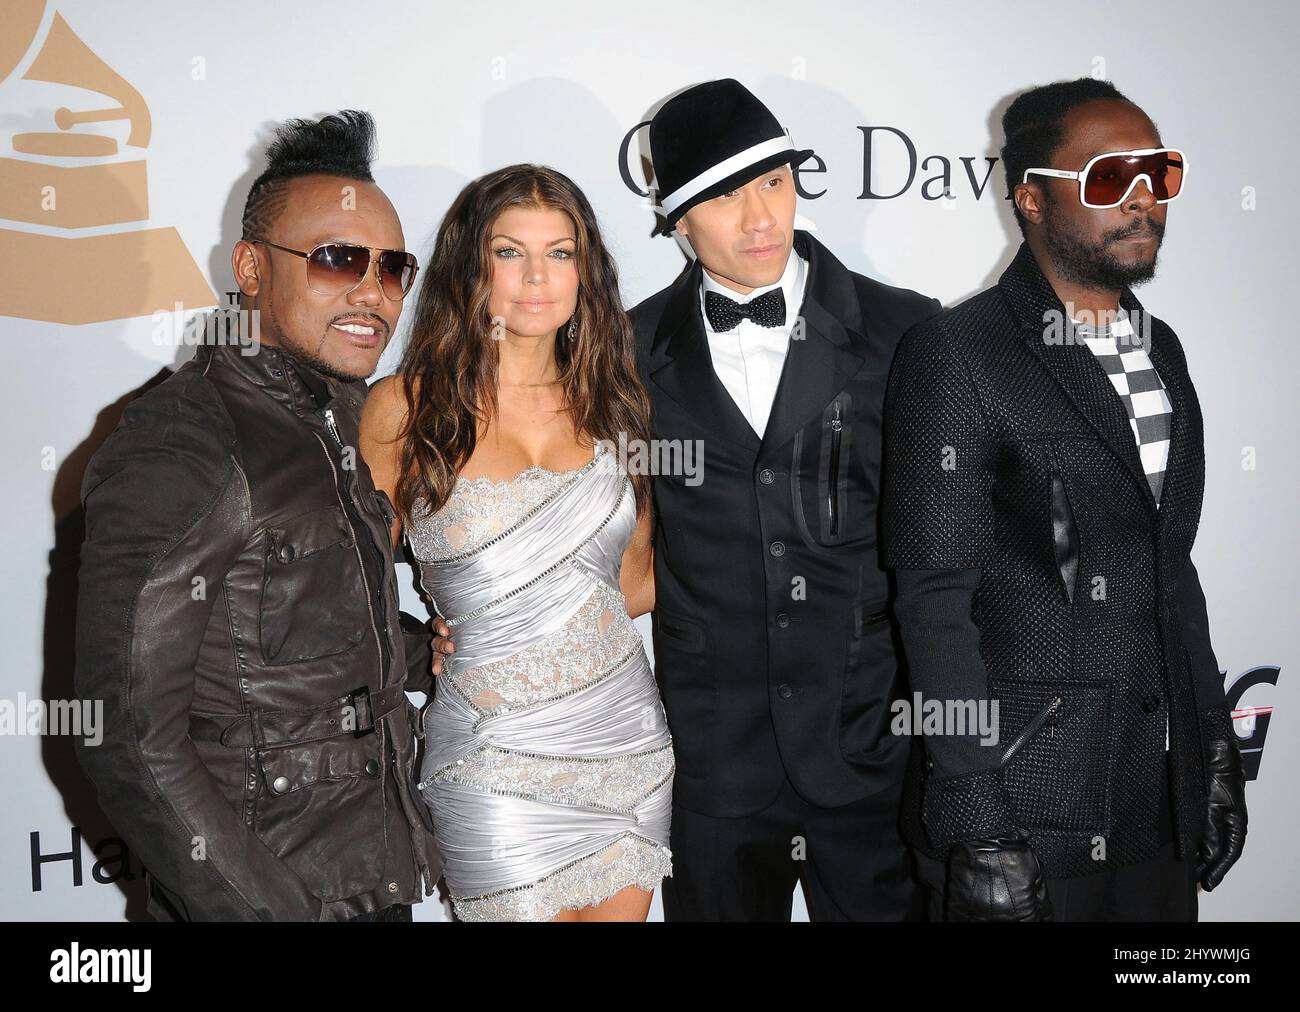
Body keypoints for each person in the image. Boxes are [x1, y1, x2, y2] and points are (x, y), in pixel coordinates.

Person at [882, 78, 1247, 921]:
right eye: (1110, 179)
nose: (1143, 200)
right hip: (1024, 812)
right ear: (1033, 199)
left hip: (1152, 802)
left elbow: (1169, 568)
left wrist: (1211, 745)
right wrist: (978, 825)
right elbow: (934, 610)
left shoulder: (1164, 350)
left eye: (1158, 174)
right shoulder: (956, 352)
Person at [74, 110, 439, 921]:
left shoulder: (334, 421)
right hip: (264, 890)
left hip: (369, 872)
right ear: (250, 267)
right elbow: (127, 734)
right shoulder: (185, 440)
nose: (372, 292)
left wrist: (426, 655)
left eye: (392, 267)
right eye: (337, 260)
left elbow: (300, 637)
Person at [625, 79, 940, 920]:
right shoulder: (624, 351)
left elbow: (948, 554)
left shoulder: (907, 330)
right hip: (711, 764)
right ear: (677, 220)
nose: (761, 217)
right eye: (726, 197)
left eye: (774, 183)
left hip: (870, 752)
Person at [359, 164, 673, 921]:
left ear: (585, 271)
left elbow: (636, 583)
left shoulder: (618, 405)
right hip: (488, 757)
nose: (537, 277)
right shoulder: (404, 408)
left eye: (560, 253)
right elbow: (349, 590)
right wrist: (419, 644)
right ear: (472, 265)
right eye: (510, 252)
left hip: (622, 742)